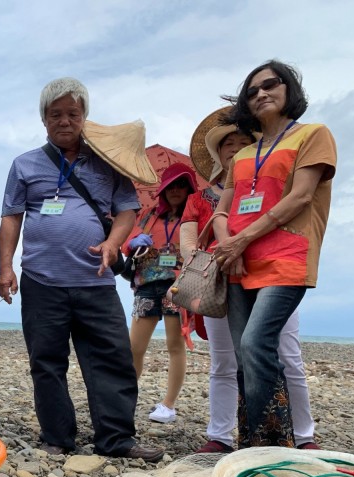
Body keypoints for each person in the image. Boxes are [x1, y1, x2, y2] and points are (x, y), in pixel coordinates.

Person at [0, 76, 164, 462]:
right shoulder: (24, 164)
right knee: (46, 362)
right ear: (44, 119)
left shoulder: (108, 163)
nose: (64, 121)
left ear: (84, 116)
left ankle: (117, 438)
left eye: (73, 113)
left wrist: (112, 242)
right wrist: (6, 268)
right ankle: (57, 437)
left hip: (96, 280)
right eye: (55, 114)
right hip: (41, 281)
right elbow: (11, 218)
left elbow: (127, 210)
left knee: (111, 357)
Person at [212, 60, 337, 447]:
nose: (261, 94)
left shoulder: (314, 134)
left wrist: (241, 238)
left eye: (270, 85)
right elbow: (221, 211)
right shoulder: (244, 155)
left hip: (286, 258)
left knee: (255, 344)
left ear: (289, 90)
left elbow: (300, 196)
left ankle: (274, 444)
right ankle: (253, 444)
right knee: (243, 356)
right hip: (238, 261)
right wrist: (227, 244)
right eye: (252, 91)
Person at [182, 110, 319, 452]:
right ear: (219, 153)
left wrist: (238, 243)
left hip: (273, 271)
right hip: (219, 277)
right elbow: (187, 237)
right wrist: (207, 260)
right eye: (229, 143)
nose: (236, 148)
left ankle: (303, 436)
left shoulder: (276, 187)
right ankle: (221, 435)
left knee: (286, 354)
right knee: (224, 360)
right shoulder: (199, 198)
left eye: (245, 142)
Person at [122, 163, 196, 424]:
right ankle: (125, 399)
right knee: (134, 347)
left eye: (181, 185)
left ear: (189, 188)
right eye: (171, 185)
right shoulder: (148, 215)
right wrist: (132, 242)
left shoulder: (194, 216)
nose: (176, 190)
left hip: (178, 285)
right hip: (146, 284)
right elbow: (126, 241)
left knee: (175, 345)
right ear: (163, 189)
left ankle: (169, 405)